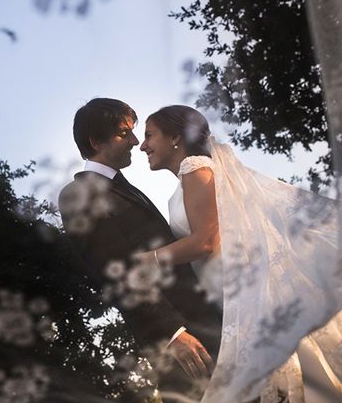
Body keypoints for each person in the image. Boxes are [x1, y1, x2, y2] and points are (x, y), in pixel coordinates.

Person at [138, 105, 342, 402]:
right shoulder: (196, 175)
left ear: (174, 138)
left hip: (241, 296)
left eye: (149, 135)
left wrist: (150, 259)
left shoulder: (195, 168)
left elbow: (206, 241)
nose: (143, 145)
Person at [58, 98, 222, 396]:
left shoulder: (127, 190)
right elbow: (115, 272)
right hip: (181, 342)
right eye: (125, 134)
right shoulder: (78, 194)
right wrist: (172, 335)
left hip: (209, 324)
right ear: (96, 141)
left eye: (137, 132)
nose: (135, 141)